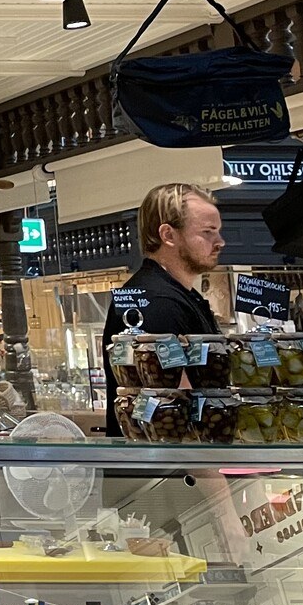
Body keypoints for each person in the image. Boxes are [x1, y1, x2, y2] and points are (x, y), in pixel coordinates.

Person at [102, 183, 225, 434]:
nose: (220, 242)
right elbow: (174, 403)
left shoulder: (179, 296)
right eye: (208, 232)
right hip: (165, 468)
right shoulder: (157, 302)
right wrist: (210, 474)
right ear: (168, 235)